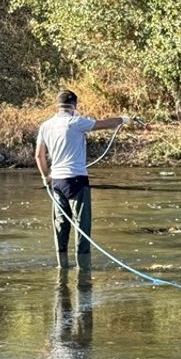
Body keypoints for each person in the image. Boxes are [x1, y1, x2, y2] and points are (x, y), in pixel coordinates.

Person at [35, 89, 143, 268]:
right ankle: (83, 271)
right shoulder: (76, 122)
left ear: (57, 105)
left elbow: (39, 156)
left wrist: (46, 177)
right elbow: (104, 124)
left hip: (57, 183)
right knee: (82, 226)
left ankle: (62, 267)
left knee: (61, 225)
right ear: (74, 105)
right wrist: (124, 119)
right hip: (77, 180)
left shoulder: (45, 126)